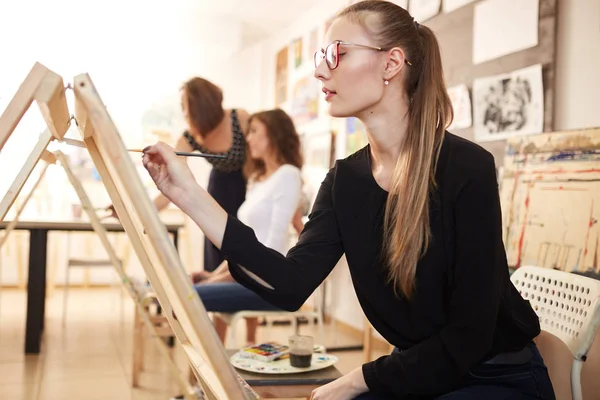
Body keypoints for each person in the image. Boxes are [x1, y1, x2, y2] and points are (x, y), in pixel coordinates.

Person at [142, 1, 555, 399]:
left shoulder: (468, 169)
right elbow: (288, 286)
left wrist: (361, 378)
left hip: (495, 376)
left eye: (335, 53)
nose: (320, 69)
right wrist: (187, 194)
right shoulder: (345, 181)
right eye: (321, 55)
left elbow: (469, 335)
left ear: (391, 64)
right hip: (418, 372)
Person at [194, 108, 304, 345]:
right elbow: (242, 246)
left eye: (254, 131)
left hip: (269, 284)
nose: (248, 138)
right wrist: (214, 275)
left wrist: (213, 281)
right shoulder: (257, 179)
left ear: (273, 135)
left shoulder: (288, 175)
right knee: (190, 287)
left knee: (190, 296)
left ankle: (207, 374)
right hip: (251, 276)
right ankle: (208, 373)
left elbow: (270, 253)